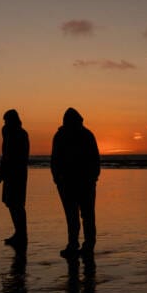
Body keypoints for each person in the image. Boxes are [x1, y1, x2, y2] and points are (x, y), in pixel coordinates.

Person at [50, 107, 100, 259]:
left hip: (83, 182)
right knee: (76, 216)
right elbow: (55, 160)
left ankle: (86, 245)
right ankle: (76, 245)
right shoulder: (61, 135)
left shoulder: (85, 135)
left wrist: (93, 178)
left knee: (84, 215)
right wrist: (57, 178)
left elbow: (94, 160)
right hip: (68, 183)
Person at [0, 109, 29, 248]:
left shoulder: (19, 134)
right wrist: (1, 174)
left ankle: (21, 234)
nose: (5, 123)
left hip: (17, 174)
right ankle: (19, 233)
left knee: (17, 204)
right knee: (12, 204)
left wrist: (1, 174)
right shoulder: (9, 134)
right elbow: (5, 156)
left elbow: (11, 157)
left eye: (7, 120)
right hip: (11, 174)